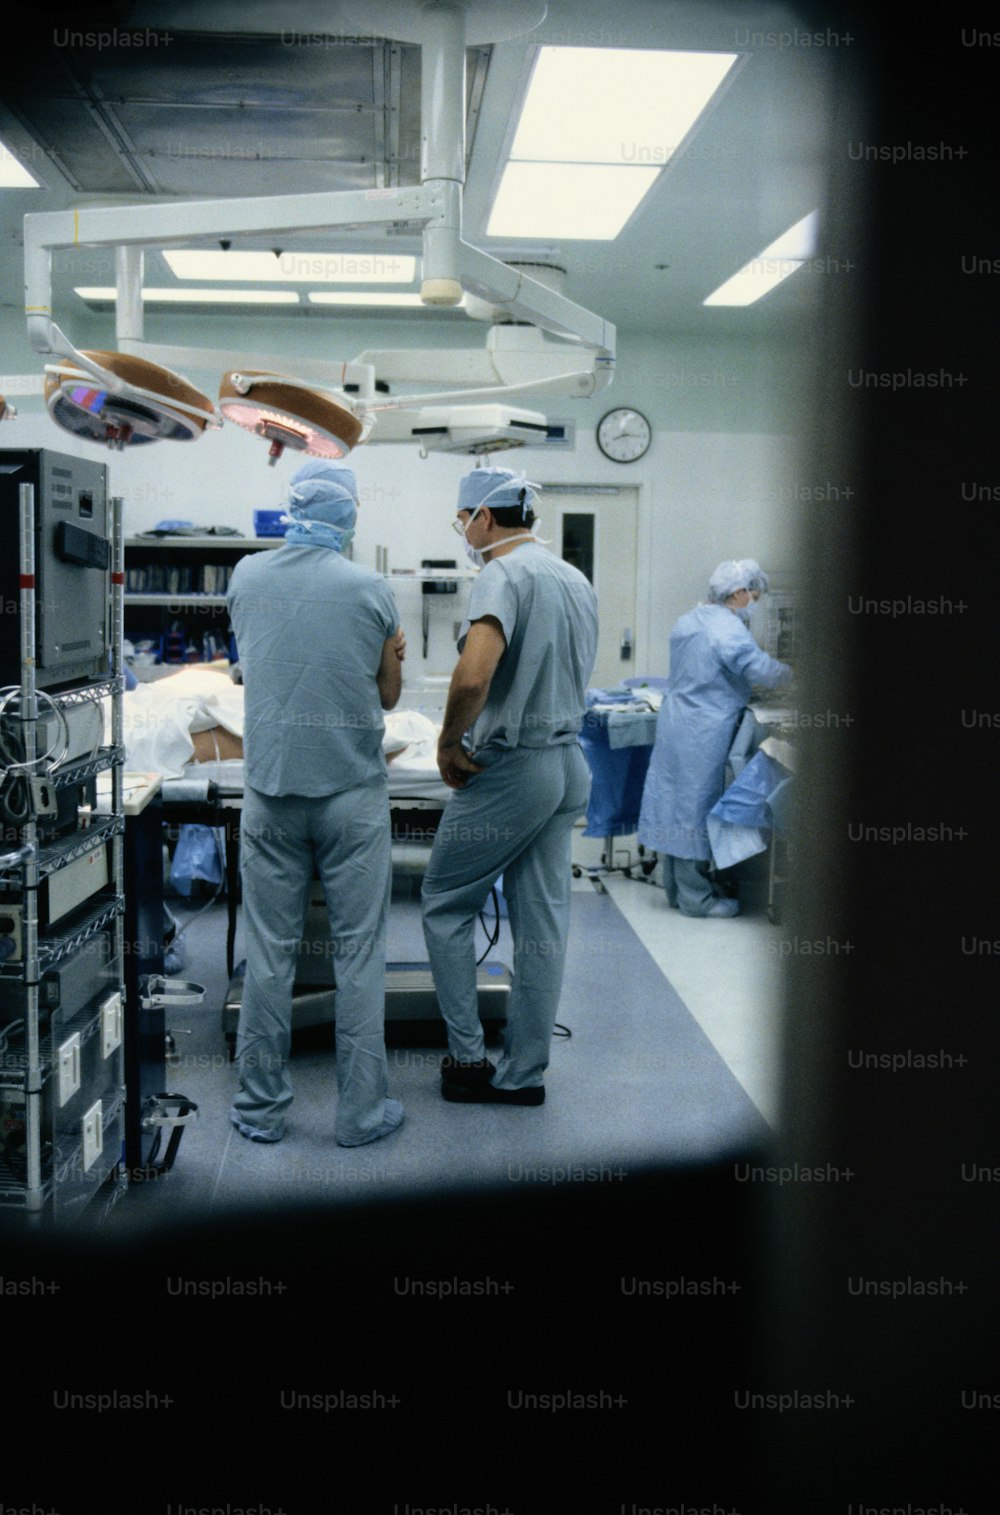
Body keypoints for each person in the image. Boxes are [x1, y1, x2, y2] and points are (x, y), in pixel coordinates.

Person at [226, 458, 406, 1146]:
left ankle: (259, 1110)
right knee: (359, 957)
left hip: (270, 795)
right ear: (349, 515)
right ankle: (361, 1115)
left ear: (292, 507)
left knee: (270, 956)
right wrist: (392, 652)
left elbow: (260, 656)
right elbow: (388, 695)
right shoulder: (372, 590)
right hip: (351, 798)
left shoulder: (246, 575)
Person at [421, 467, 598, 1105]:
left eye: (462, 518)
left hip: (516, 765)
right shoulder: (572, 578)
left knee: (444, 903)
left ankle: (467, 1061)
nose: (463, 530)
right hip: (567, 765)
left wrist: (448, 743)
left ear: (485, 518)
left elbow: (474, 678)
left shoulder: (502, 575)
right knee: (543, 923)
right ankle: (524, 1074)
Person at [637, 558, 792, 918]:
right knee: (695, 805)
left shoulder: (690, 620)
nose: (755, 601)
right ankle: (698, 900)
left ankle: (677, 891)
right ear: (738, 593)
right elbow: (758, 668)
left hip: (678, 721)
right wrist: (794, 674)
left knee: (674, 803)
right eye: (754, 594)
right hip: (704, 726)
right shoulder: (726, 629)